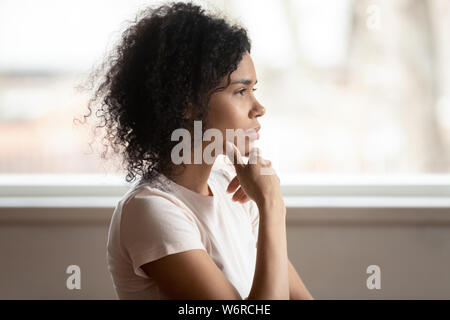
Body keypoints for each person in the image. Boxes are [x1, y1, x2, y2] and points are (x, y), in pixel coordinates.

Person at [85, 1, 313, 300]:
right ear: (187, 103)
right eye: (241, 91)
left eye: (253, 90)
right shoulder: (153, 210)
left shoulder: (235, 192)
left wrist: (265, 203)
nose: (259, 108)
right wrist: (272, 205)